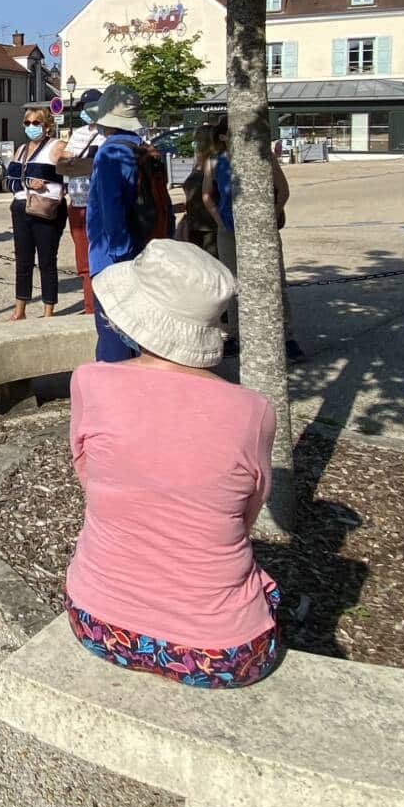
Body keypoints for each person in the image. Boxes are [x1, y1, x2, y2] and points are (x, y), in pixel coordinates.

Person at [64, 239, 283, 687]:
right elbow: (248, 510)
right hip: (224, 652)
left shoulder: (90, 381)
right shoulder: (253, 412)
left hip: (99, 621)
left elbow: (90, 475)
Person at [83, 86, 173, 362]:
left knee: (113, 334)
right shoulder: (141, 148)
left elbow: (111, 209)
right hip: (146, 249)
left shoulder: (109, 153)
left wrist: (119, 254)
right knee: (140, 330)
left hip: (113, 259)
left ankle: (116, 396)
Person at [204, 122, 303, 362]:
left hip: (261, 230)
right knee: (234, 285)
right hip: (229, 230)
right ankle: (238, 336)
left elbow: (283, 190)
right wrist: (219, 221)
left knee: (274, 281)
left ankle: (286, 337)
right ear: (223, 137)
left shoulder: (263, 155)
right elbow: (208, 195)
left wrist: (271, 218)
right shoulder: (214, 161)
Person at [4, 106, 68, 320]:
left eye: (36, 123)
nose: (31, 127)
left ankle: (48, 310)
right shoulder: (21, 150)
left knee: (47, 261)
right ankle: (19, 309)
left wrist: (45, 183)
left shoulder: (56, 146)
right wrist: (27, 183)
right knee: (23, 260)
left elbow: (70, 172)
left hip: (45, 209)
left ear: (47, 125)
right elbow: (8, 181)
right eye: (27, 123)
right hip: (21, 208)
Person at [57, 90, 108, 316]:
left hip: (100, 201)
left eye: (92, 105)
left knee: (102, 255)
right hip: (77, 201)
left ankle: (102, 305)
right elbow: (62, 162)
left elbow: (93, 165)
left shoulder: (109, 134)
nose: (87, 110)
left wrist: (77, 163)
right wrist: (76, 163)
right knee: (83, 258)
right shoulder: (78, 133)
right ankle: (89, 305)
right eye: (84, 106)